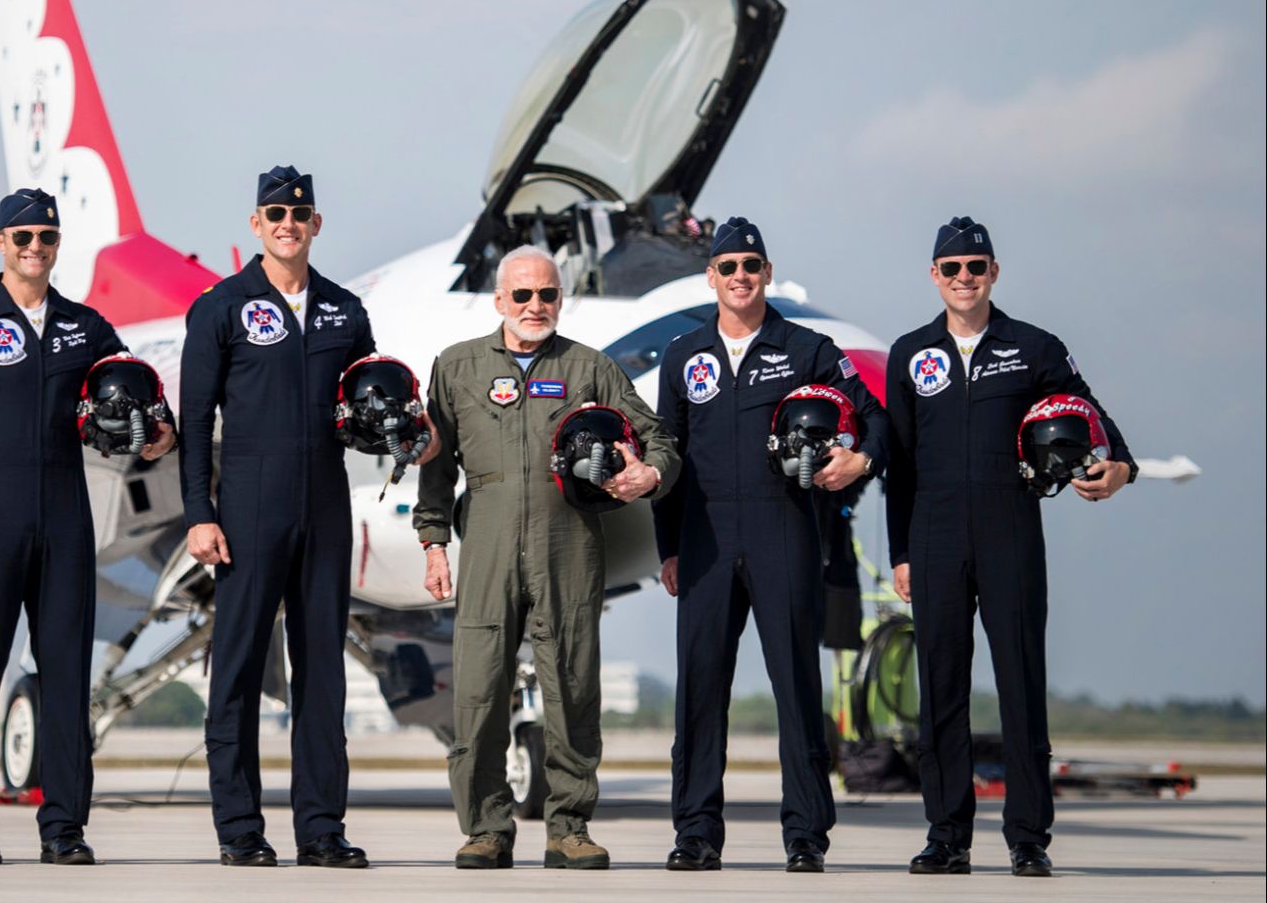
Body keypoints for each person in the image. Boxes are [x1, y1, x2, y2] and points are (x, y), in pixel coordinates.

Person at [0, 187, 174, 867]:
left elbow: (139, 389)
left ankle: (65, 828)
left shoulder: (85, 327)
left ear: (58, 246)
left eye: (47, 238)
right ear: (0, 242)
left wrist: (161, 431)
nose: (35, 248)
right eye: (23, 237)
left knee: (67, 679)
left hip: (66, 517)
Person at [414, 244, 679, 871]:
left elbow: (658, 436)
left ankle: (570, 828)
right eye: (524, 295)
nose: (536, 306)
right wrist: (433, 544)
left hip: (570, 542)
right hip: (486, 539)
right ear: (501, 300)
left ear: (562, 299)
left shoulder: (592, 368)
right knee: (478, 690)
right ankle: (485, 828)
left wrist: (651, 474)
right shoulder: (457, 367)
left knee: (572, 686)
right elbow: (433, 462)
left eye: (548, 294)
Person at [886, 216, 1134, 878]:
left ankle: (1029, 837)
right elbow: (899, 465)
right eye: (951, 268)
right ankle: (947, 837)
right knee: (940, 689)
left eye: (975, 266)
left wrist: (1122, 466)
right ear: (933, 276)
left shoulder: (1033, 346)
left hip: (1010, 528)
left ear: (994, 272)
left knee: (1022, 683)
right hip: (934, 534)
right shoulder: (910, 353)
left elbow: (1088, 412)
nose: (963, 278)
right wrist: (900, 554)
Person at [180, 165, 408, 868]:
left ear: (315, 225)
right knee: (240, 668)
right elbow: (194, 419)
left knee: (323, 675)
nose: (287, 223)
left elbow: (372, 405)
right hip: (247, 506)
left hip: (325, 507)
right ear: (256, 224)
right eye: (275, 213)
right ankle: (240, 828)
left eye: (299, 214)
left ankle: (321, 828)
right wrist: (200, 511)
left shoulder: (345, 309)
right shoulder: (221, 307)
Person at [653, 216, 888, 875]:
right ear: (711, 276)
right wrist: (666, 546)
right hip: (703, 539)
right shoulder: (684, 355)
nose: (739, 277)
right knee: (699, 691)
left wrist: (860, 460)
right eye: (727, 267)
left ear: (767, 273)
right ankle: (695, 832)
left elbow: (873, 418)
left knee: (795, 684)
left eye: (750, 266)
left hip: (784, 529)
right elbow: (666, 457)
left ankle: (806, 834)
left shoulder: (807, 349)